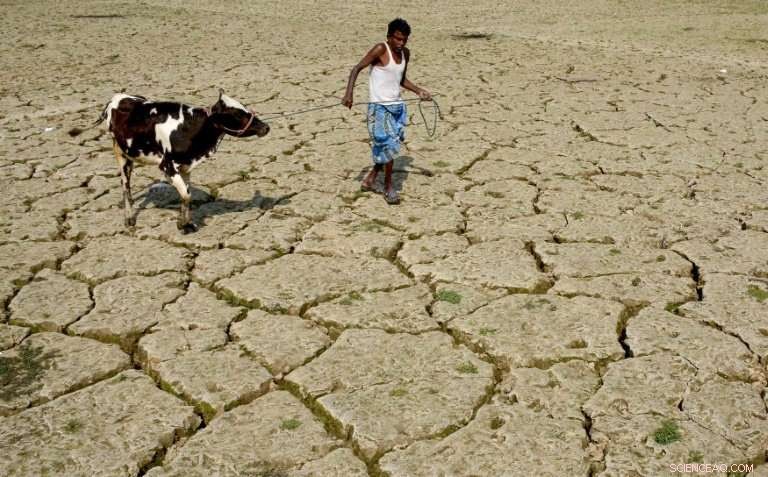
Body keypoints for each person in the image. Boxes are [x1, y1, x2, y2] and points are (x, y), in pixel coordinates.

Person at [342, 18, 432, 204]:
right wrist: (349, 94)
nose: (401, 43)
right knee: (390, 147)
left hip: (398, 107)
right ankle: (389, 187)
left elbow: (401, 79)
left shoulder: (406, 53)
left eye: (404, 39)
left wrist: (419, 91)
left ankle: (372, 176)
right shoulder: (380, 49)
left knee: (388, 146)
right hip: (379, 108)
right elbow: (356, 69)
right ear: (389, 37)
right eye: (397, 39)